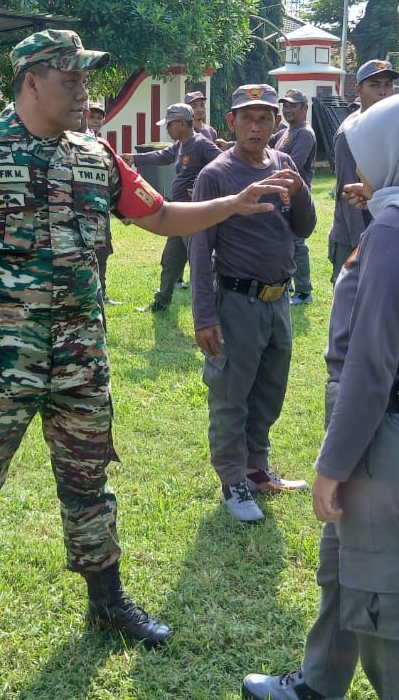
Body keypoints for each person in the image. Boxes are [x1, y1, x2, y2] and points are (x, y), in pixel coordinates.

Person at [0, 30, 294, 683]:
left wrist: (230, 204)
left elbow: (159, 217)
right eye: (71, 79)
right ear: (32, 80)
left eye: (86, 77)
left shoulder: (96, 155)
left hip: (80, 359)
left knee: (90, 483)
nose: (85, 91)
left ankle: (107, 604)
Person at [243, 89, 399, 700]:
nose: (358, 163)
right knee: (347, 570)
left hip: (389, 436)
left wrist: (332, 465)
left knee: (389, 604)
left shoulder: (398, 224)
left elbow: (372, 359)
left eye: (368, 147)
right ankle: (318, 682)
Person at [189, 84, 317, 523]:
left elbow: (304, 230)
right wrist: (204, 315)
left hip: (278, 301)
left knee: (268, 392)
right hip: (236, 301)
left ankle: (256, 468)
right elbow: (199, 247)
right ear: (232, 122)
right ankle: (232, 480)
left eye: (265, 117)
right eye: (248, 117)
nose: (257, 125)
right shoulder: (217, 175)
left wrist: (299, 190)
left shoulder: (284, 163)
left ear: (277, 122)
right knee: (230, 395)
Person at [124, 102, 220, 311]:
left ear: (182, 124)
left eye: (169, 124)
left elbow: (224, 165)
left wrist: (204, 190)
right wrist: (135, 158)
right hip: (177, 213)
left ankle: (211, 310)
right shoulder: (180, 145)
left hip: (193, 215)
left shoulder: (201, 144)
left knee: (199, 262)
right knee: (170, 260)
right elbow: (161, 156)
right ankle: (161, 302)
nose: (166, 128)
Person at [327, 60, 399, 282]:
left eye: (387, 85)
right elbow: (349, 194)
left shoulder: (393, 126)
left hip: (386, 230)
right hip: (355, 237)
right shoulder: (352, 132)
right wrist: (364, 246)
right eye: (374, 85)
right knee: (351, 310)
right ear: (358, 90)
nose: (382, 92)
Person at [275, 88, 318, 305]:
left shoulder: (304, 133)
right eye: (286, 105)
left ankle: (303, 290)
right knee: (284, 241)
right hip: (282, 196)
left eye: (293, 105)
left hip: (296, 197)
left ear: (305, 108)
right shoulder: (286, 131)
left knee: (297, 244)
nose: (288, 109)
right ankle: (287, 285)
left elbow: (291, 165)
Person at [85, 101, 121, 305]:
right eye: (92, 117)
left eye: (99, 117)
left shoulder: (102, 145)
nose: (96, 120)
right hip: (84, 211)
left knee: (103, 251)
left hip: (102, 209)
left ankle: (102, 293)